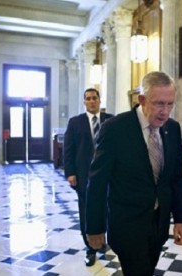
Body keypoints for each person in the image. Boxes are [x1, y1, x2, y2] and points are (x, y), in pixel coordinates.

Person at [86, 71, 182, 276]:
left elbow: (176, 177)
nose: (165, 111)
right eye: (159, 103)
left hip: (159, 223)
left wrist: (180, 219)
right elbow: (97, 181)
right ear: (142, 99)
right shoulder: (115, 128)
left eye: (170, 104)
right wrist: (95, 227)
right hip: (127, 224)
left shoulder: (173, 129)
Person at [63, 88, 113, 266]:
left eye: (95, 98)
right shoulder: (75, 122)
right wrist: (70, 173)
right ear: (84, 102)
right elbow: (68, 150)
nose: (92, 101)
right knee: (86, 211)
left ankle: (102, 239)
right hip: (84, 175)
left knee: (106, 209)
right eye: (88, 99)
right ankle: (90, 248)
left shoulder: (110, 120)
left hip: (107, 175)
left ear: (100, 100)